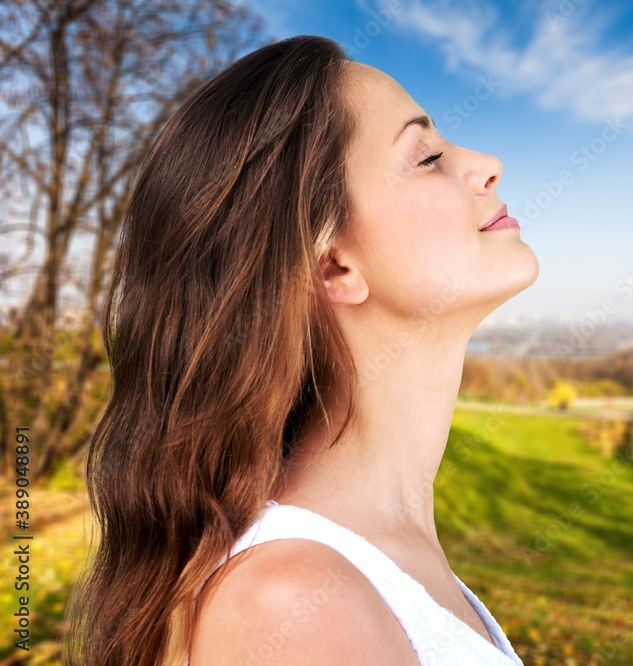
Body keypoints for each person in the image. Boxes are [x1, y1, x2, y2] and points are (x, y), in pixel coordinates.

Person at [64, 34, 538, 665]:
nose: (487, 163)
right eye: (426, 157)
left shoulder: (372, 566)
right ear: (332, 268)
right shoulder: (294, 602)